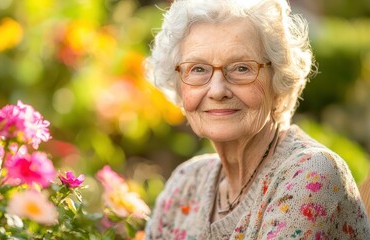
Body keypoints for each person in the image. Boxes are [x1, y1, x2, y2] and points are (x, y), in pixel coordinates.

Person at [143, 0, 370, 238]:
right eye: (198, 69)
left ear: (279, 81)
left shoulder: (310, 174)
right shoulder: (186, 183)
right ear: (179, 84)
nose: (218, 90)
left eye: (241, 68)